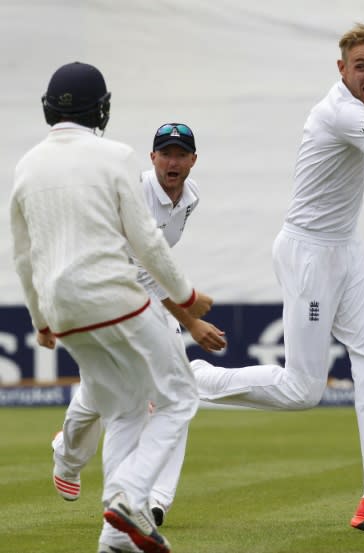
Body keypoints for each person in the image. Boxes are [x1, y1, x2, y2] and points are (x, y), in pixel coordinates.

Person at [188, 23, 364, 534]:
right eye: (361, 66)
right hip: (310, 256)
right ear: (341, 70)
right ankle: (193, 380)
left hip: (348, 253)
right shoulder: (339, 110)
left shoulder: (360, 113)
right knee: (303, 390)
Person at [10, 62, 214, 553]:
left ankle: (114, 538)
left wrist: (40, 320)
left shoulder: (26, 165)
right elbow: (145, 240)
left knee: (123, 409)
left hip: (64, 309)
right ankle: (129, 494)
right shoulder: (114, 155)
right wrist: (186, 298)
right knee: (180, 396)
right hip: (114, 297)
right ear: (101, 109)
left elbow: (23, 254)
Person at [50, 122, 227, 545]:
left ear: (193, 161)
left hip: (141, 303)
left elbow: (154, 269)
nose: (173, 161)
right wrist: (191, 320)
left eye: (181, 154)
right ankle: (73, 460)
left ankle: (145, 500)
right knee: (120, 395)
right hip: (106, 296)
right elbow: (141, 271)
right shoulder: (137, 195)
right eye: (165, 153)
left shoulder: (191, 197)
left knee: (157, 394)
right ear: (152, 159)